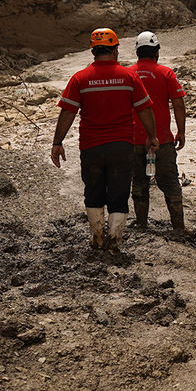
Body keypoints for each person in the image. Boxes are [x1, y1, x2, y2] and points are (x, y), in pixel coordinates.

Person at [52, 28, 158, 254]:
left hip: (91, 147)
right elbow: (145, 109)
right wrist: (152, 135)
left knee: (93, 191)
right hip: (122, 146)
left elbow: (68, 112)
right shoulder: (129, 77)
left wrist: (57, 142)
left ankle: (98, 237)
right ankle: (115, 240)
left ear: (93, 51)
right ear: (116, 50)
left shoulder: (80, 78)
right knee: (119, 192)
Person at [128, 31, 194, 239]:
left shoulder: (127, 74)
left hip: (134, 140)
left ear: (138, 52)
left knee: (139, 182)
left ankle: (140, 224)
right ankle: (178, 228)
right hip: (162, 139)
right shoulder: (166, 73)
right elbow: (178, 104)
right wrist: (181, 131)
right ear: (156, 52)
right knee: (171, 184)